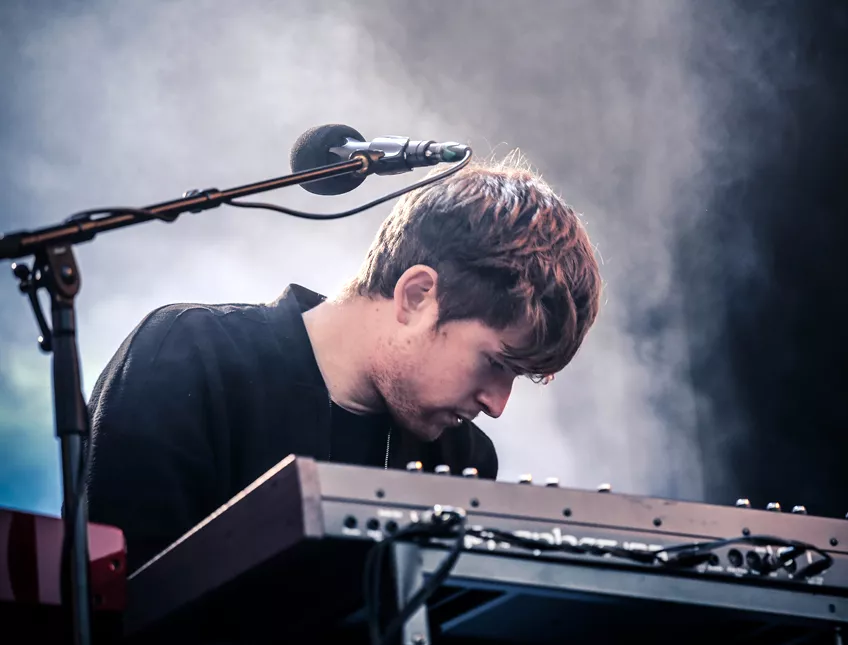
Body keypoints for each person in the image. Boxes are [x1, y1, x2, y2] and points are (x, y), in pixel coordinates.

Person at [84, 156, 603, 573]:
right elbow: (118, 616)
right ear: (417, 296)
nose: (497, 404)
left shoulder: (462, 459)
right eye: (494, 363)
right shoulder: (186, 358)